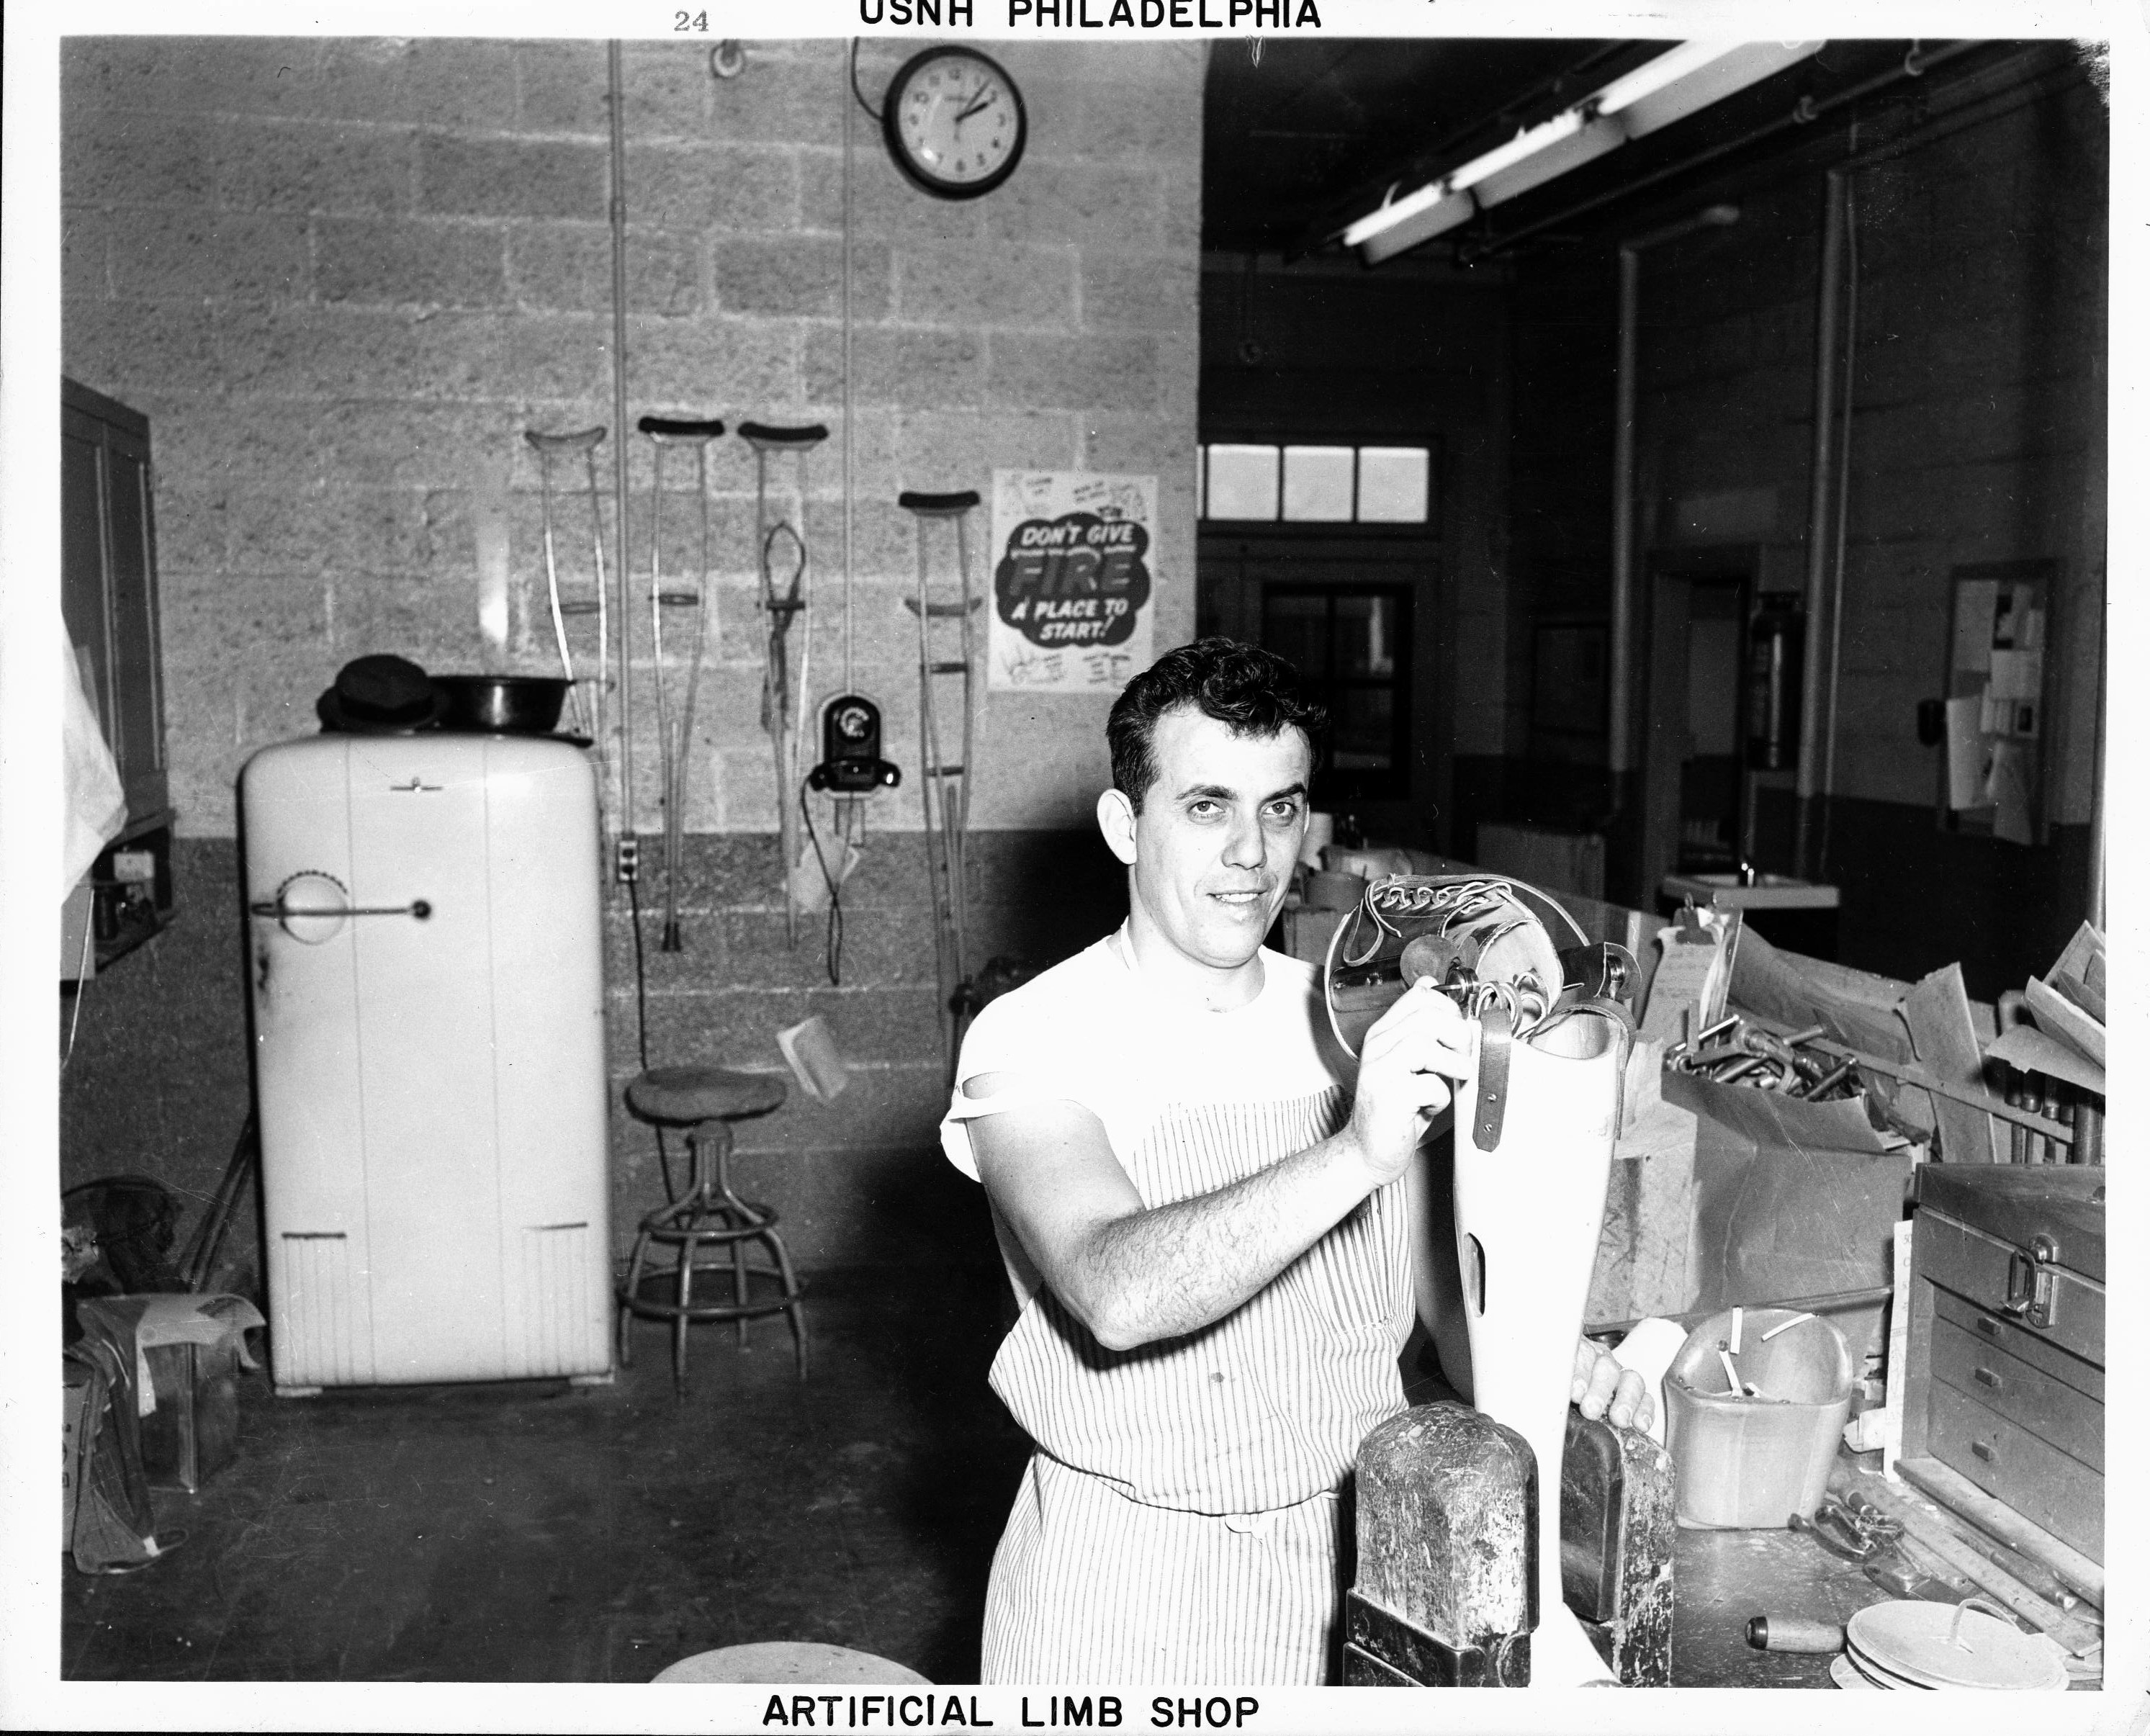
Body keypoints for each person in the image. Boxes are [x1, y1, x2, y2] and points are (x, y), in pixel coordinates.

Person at [938, 637, 1652, 1684]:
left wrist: (1554, 1367)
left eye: (1280, 808)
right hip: (1125, 1592)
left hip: (1358, 1571)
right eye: (1206, 806)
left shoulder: (1349, 1018)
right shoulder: (1034, 1035)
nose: (1250, 854)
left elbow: (1449, 1322)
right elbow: (1115, 1291)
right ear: (1123, 825)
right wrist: (1358, 1149)